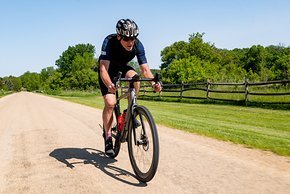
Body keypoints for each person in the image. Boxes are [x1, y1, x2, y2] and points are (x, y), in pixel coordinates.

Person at [98, 19, 162, 156]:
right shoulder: (109, 42)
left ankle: (130, 111)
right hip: (107, 71)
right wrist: (109, 84)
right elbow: (103, 68)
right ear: (119, 36)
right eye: (127, 38)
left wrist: (154, 84)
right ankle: (108, 136)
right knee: (110, 103)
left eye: (133, 38)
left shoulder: (138, 45)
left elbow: (145, 70)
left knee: (136, 77)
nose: (130, 42)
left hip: (123, 68)